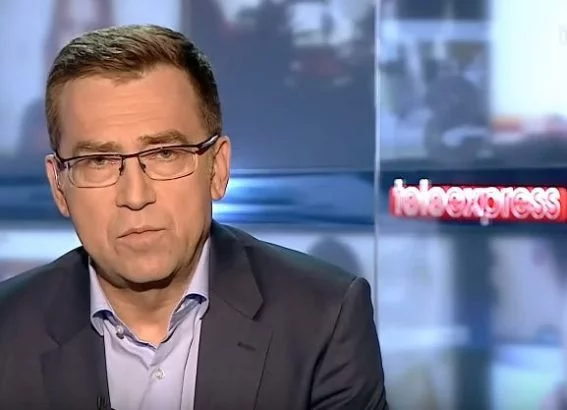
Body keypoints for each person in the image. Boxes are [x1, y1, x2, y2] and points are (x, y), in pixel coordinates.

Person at [0, 24, 388, 410]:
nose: (135, 197)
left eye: (165, 154)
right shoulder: (7, 331)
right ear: (58, 185)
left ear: (217, 168)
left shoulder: (324, 320)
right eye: (99, 161)